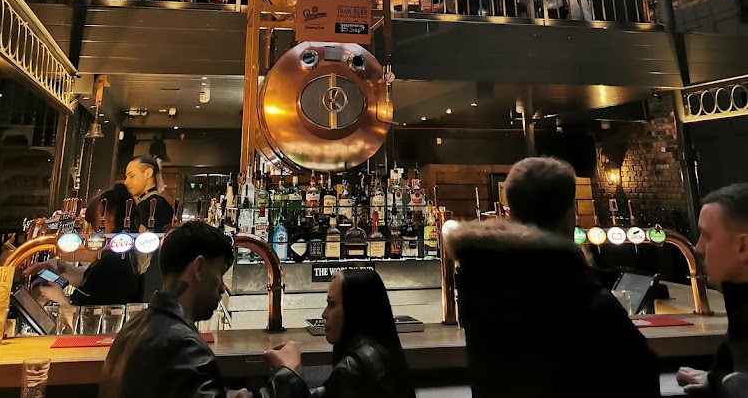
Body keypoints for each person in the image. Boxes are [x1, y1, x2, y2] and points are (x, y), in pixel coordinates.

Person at [446, 156, 660, 398]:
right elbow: (640, 375)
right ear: (571, 214)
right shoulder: (576, 290)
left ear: (510, 213)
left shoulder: (481, 276)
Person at [100, 221, 307, 398]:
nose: (222, 287)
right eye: (220, 273)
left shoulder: (134, 326)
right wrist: (288, 374)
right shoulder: (181, 345)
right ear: (199, 268)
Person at [267, 268, 415, 398]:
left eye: (332, 304)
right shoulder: (385, 355)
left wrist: (287, 373)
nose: (324, 314)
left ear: (354, 311)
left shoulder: (350, 371)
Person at [677, 184, 748, 395]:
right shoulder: (739, 305)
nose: (698, 248)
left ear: (744, 247)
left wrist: (731, 382)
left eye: (706, 236)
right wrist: (718, 378)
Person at [25, 185, 141, 307]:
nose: (91, 231)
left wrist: (60, 298)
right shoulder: (118, 257)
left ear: (112, 220)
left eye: (95, 224)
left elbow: (82, 314)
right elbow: (89, 280)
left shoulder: (114, 262)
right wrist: (59, 267)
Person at [125, 153, 174, 299]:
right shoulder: (161, 203)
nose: (126, 182)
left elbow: (141, 252)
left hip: (148, 280)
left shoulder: (151, 205)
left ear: (148, 173)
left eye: (131, 176)